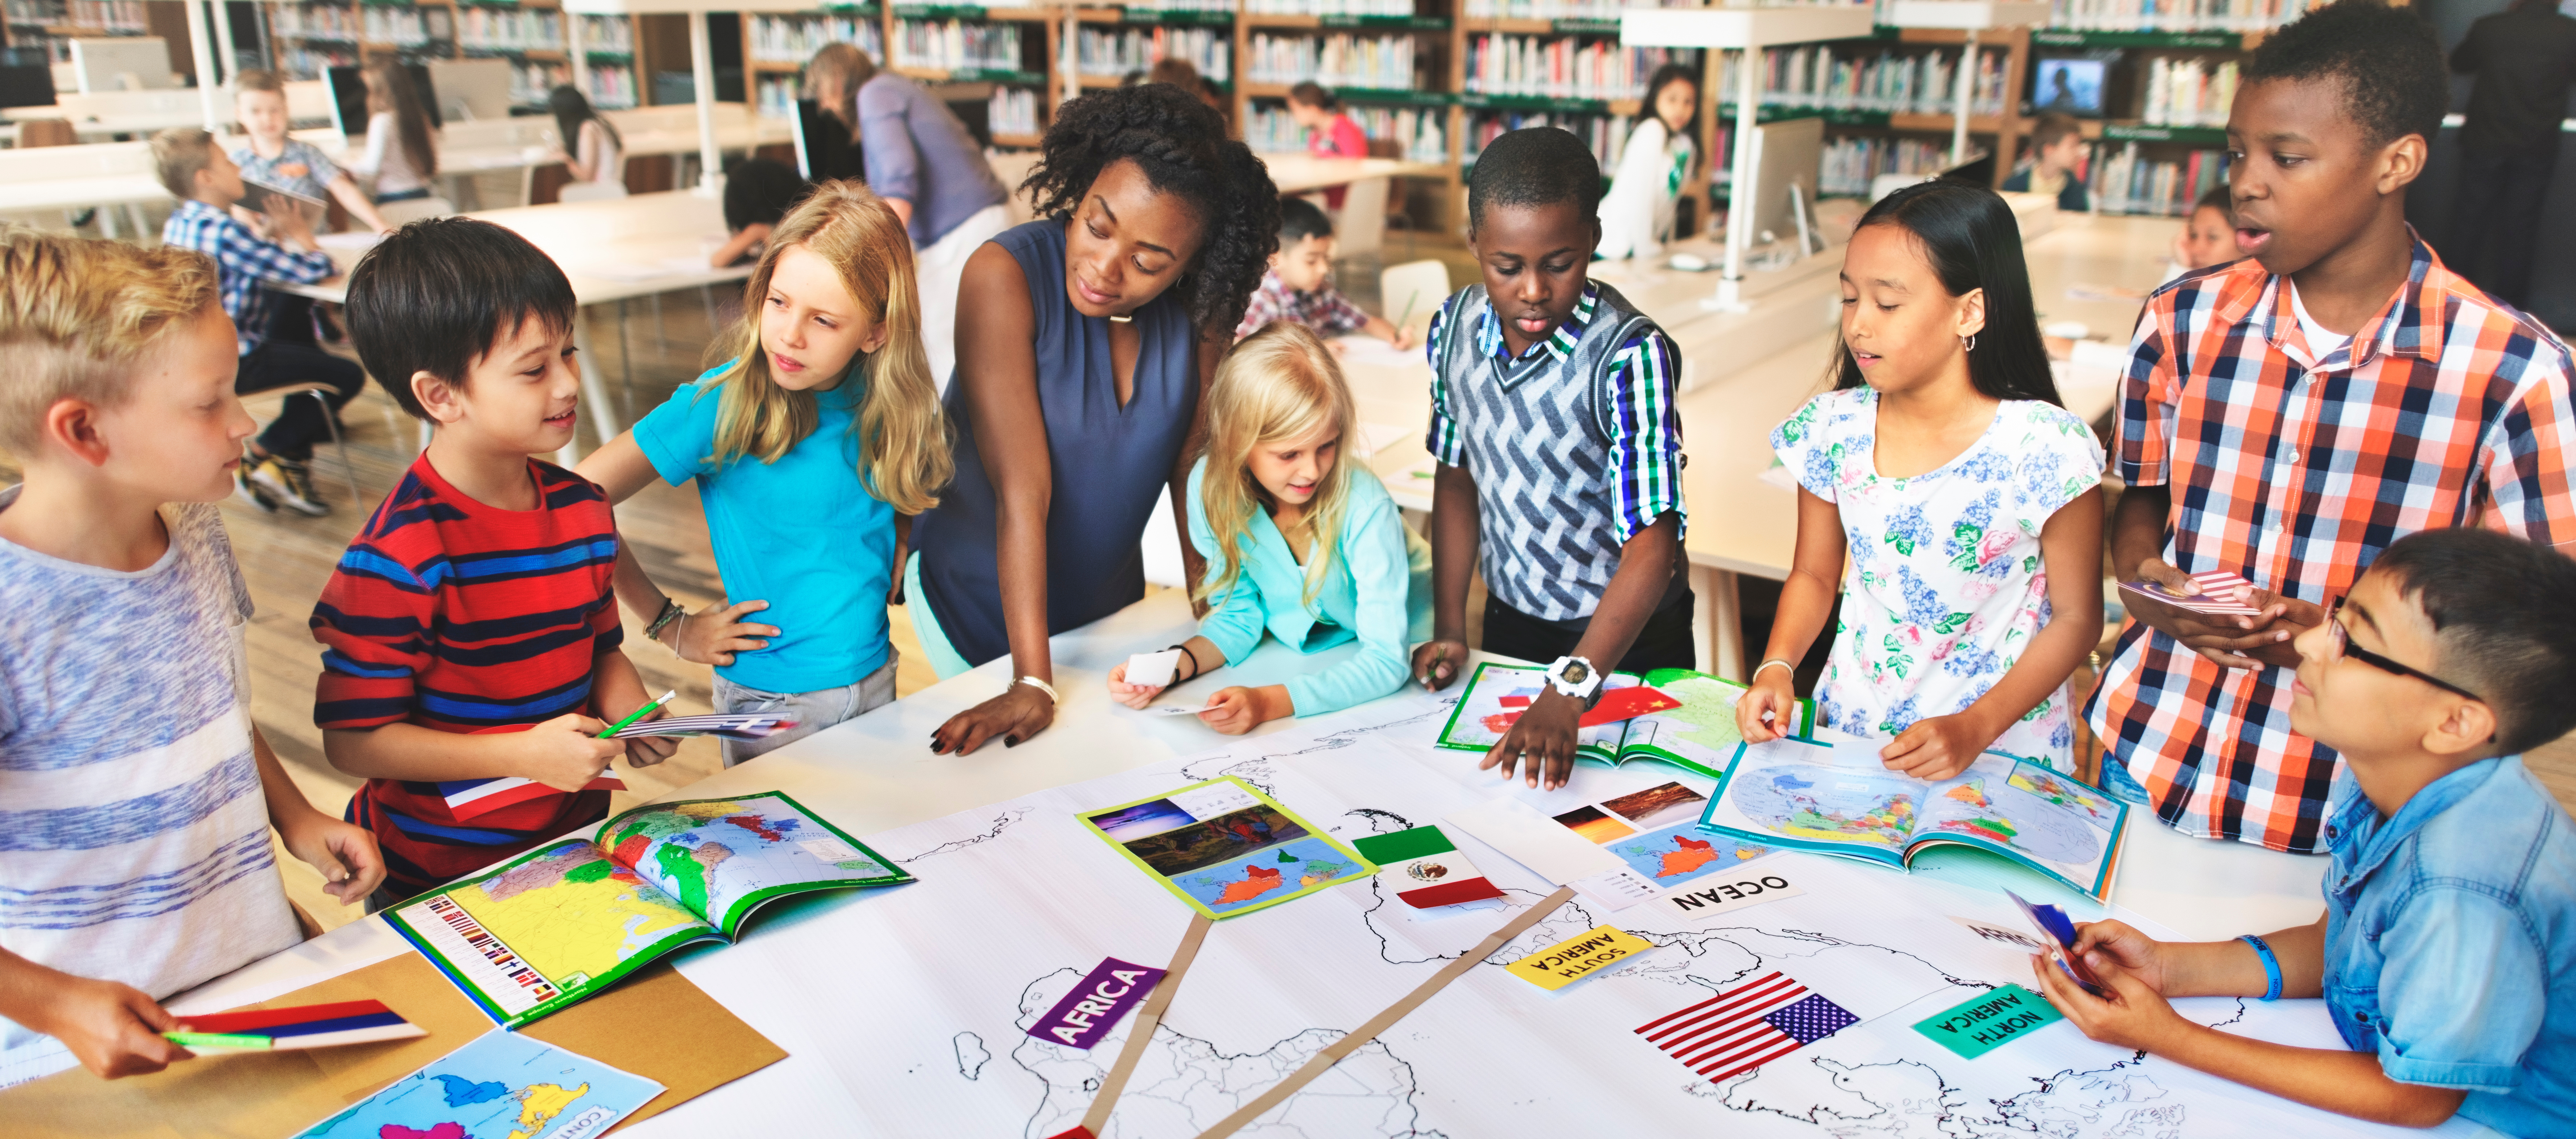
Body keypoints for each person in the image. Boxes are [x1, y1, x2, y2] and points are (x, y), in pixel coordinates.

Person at [2086, 0, 2576, 854]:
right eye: (2237, 152)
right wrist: (2143, 581)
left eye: (2287, 157)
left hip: (2347, 815)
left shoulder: (2514, 373)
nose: (2247, 182)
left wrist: (2334, 640)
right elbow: (2145, 496)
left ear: (2397, 162)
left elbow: (2532, 638)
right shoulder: (2178, 320)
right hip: (2145, 749)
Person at [2037, 528, 2574, 1136]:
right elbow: (2340, 945)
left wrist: (2168, 1037)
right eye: (2336, 615)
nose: (2309, 640)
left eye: (2351, 640)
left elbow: (2418, 1099)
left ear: (2454, 722)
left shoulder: (2461, 886)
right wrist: (2170, 968)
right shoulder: (2399, 776)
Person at [0, 228, 383, 1080]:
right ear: (84, 430)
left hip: (246, 987)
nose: (246, 421)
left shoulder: (197, 527)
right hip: (76, 1056)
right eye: (211, 403)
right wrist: (57, 1005)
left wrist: (296, 818)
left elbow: (212, 706)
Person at [914, 84, 1280, 755]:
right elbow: (1023, 490)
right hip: (975, 597)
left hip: (1107, 605)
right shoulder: (1004, 276)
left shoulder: (1202, 312)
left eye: (1147, 262)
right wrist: (1032, 679)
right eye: (1096, 226)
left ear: (1191, 264)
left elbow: (1192, 473)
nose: (1104, 269)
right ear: (1080, 191)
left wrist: (1217, 625)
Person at [319, 217, 676, 906]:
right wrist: (519, 753)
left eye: (569, 352)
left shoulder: (584, 509)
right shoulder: (396, 557)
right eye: (535, 369)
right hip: (436, 877)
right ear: (439, 395)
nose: (568, 384)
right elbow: (354, 742)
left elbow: (600, 650)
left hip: (573, 844)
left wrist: (629, 708)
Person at [1734, 181, 2104, 776]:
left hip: (2001, 747)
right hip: (1857, 733)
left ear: (1969, 311)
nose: (1858, 325)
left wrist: (1975, 726)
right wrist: (1776, 665)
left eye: (1887, 304)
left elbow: (2076, 619)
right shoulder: (1832, 427)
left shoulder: (2045, 447)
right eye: (1849, 299)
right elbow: (1814, 575)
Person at [577, 183, 950, 765]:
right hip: (772, 704)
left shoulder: (884, 398)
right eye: (779, 302)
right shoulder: (720, 404)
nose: (790, 335)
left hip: (876, 677)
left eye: (823, 320)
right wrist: (668, 624)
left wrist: (901, 531)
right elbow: (575, 501)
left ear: (876, 332)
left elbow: (870, 495)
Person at [1407, 127, 1687, 792]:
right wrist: (1451, 625)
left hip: (1626, 637)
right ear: (1474, 244)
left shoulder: (1629, 354)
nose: (1533, 289)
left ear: (1593, 238)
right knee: (1511, 805)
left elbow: (1653, 544)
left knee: (1633, 807)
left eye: (1559, 264)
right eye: (1507, 267)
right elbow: (1456, 478)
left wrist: (1570, 688)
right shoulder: (1451, 329)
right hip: (1513, 624)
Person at [1106, 323, 1432, 734]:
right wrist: (1169, 668)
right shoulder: (1212, 490)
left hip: (1415, 649)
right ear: (1237, 441)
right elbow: (1237, 617)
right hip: (1330, 655)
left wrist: (1268, 702)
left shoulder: (1366, 506)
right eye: (1289, 454)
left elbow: (1387, 661)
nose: (1311, 470)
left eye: (1327, 445)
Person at [153, 127, 368, 519]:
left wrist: (269, 234)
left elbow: (254, 260)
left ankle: (292, 457)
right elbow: (318, 268)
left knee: (291, 306)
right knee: (347, 376)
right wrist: (301, 233)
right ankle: (266, 452)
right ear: (207, 178)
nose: (238, 168)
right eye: (227, 162)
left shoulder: (181, 222)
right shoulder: (224, 230)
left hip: (194, 355)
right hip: (236, 361)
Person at [803, 43, 1013, 389]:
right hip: (975, 225)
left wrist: (870, 257)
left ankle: (945, 425)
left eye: (822, 93)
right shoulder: (893, 86)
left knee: (937, 347)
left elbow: (899, 179)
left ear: (836, 81)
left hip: (963, 232)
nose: (825, 106)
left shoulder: (875, 94)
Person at [2447, 0, 2576, 310]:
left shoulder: (2490, 28)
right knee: (2521, 228)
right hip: (2536, 145)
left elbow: (2460, 63)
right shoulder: (2570, 33)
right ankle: (2511, 313)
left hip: (2484, 139)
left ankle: (2450, 305)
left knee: (2468, 224)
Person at [230, 68, 394, 233]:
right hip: (267, 244)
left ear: (286, 110)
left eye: (274, 110)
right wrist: (256, 230)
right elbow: (238, 210)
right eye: (256, 111)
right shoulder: (235, 164)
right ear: (239, 114)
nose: (267, 118)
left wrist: (380, 225)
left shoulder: (307, 154)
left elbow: (343, 189)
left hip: (315, 241)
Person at [1233, 196, 1409, 349]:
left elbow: (1364, 321)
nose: (1324, 269)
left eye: (1326, 258)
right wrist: (1313, 353)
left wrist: (1394, 336)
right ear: (1276, 259)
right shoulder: (1260, 301)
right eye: (1311, 261)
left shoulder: (1323, 291)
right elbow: (1238, 349)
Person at [1596, 63, 1698, 261]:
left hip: (1639, 249)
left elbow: (1670, 203)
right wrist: (1646, 250)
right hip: (1611, 245)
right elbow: (1641, 198)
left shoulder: (1685, 145)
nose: (1680, 109)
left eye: (1689, 102)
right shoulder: (1652, 130)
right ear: (1656, 97)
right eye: (1672, 99)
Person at [347, 60, 438, 205]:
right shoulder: (421, 118)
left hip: (393, 198)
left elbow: (371, 168)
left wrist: (348, 165)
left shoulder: (382, 122)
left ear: (381, 92)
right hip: (423, 194)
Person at [711, 156, 807, 269]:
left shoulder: (796, 230)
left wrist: (758, 232)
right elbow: (717, 261)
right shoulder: (777, 227)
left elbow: (718, 261)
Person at [1287, 81, 1368, 210]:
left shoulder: (1344, 129)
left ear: (1312, 109)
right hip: (1322, 196)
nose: (1294, 116)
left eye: (1295, 110)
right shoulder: (1315, 135)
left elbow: (1356, 167)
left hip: (1344, 202)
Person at [2000, 113, 2090, 213]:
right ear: (2049, 150)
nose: (2078, 152)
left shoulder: (2075, 188)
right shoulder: (2014, 186)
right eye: (2072, 146)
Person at [545, 85, 622, 188]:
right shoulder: (597, 123)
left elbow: (587, 177)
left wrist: (566, 159)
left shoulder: (588, 128)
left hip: (603, 191)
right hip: (611, 189)